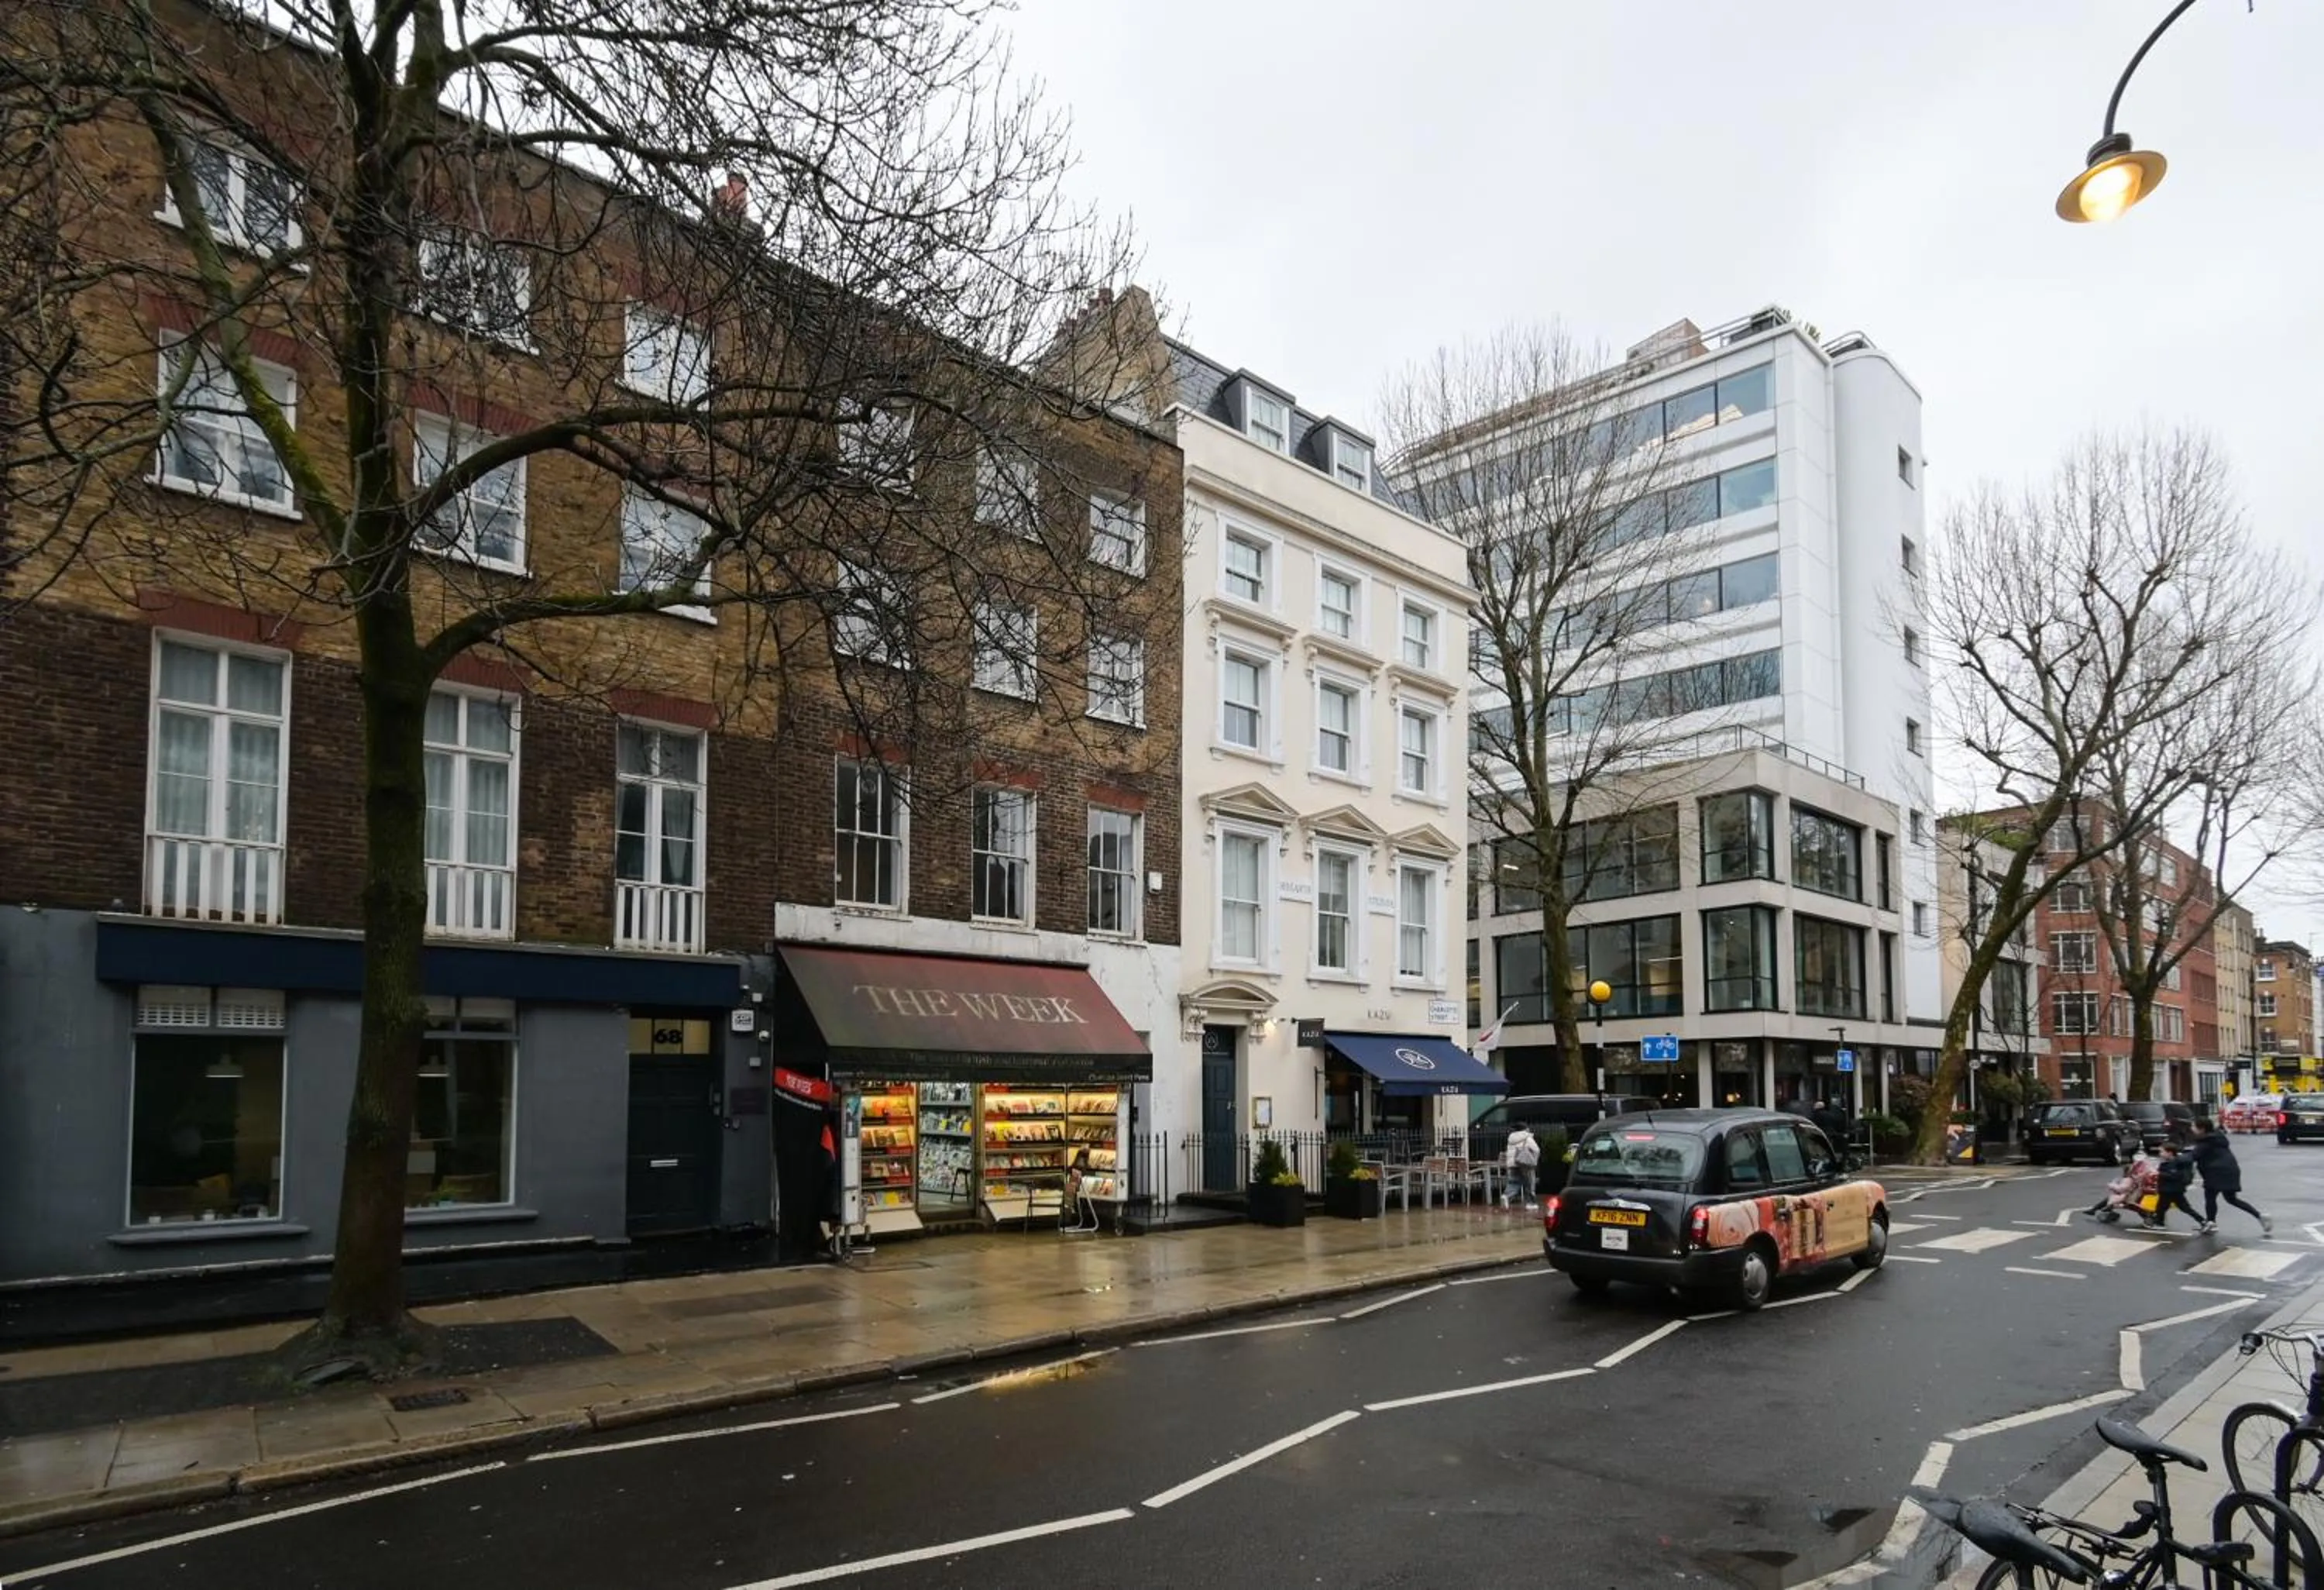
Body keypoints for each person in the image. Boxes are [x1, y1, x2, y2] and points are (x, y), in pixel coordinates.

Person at [2187, 1119, 2272, 1236]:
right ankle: (2260, 1216)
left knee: (2210, 1196)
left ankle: (2211, 1223)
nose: (2192, 1129)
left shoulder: (2206, 1141)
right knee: (2231, 1199)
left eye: (2194, 1126)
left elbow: (2193, 1156)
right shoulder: (2217, 1138)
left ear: (2202, 1129)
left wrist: (2177, 1158)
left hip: (2216, 1172)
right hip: (2230, 1170)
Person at [2152, 1143, 2202, 1229]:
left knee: (2161, 1208)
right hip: (2173, 1189)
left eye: (2162, 1152)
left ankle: (2159, 1223)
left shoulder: (2175, 1163)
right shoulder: (2169, 1162)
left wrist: (2159, 1173)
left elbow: (2174, 1176)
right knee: (2184, 1208)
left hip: (2170, 1190)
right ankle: (2203, 1221)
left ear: (2170, 1153)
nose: (2160, 1154)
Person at [1504, 1124, 1542, 1209]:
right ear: (1525, 1129)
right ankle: (1531, 1203)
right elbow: (1536, 1150)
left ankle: (1506, 1196)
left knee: (1514, 1182)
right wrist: (1533, 1159)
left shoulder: (1511, 1139)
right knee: (1530, 1183)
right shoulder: (1527, 1137)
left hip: (1513, 1163)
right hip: (1525, 1163)